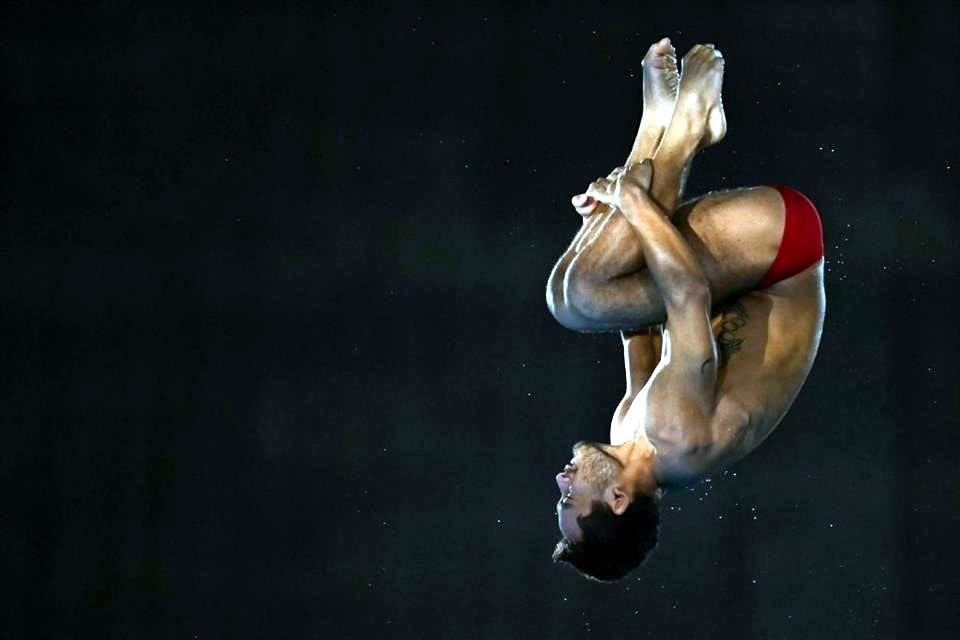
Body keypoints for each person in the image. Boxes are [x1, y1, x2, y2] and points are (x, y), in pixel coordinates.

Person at [546, 39, 825, 582]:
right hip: (781, 252)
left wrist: (598, 230)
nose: (561, 482)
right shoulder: (677, 436)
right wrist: (630, 206)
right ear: (619, 498)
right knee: (579, 297)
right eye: (568, 500)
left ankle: (657, 129)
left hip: (740, 277)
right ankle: (685, 126)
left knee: (573, 292)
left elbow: (638, 323)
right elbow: (688, 296)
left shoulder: (629, 432)